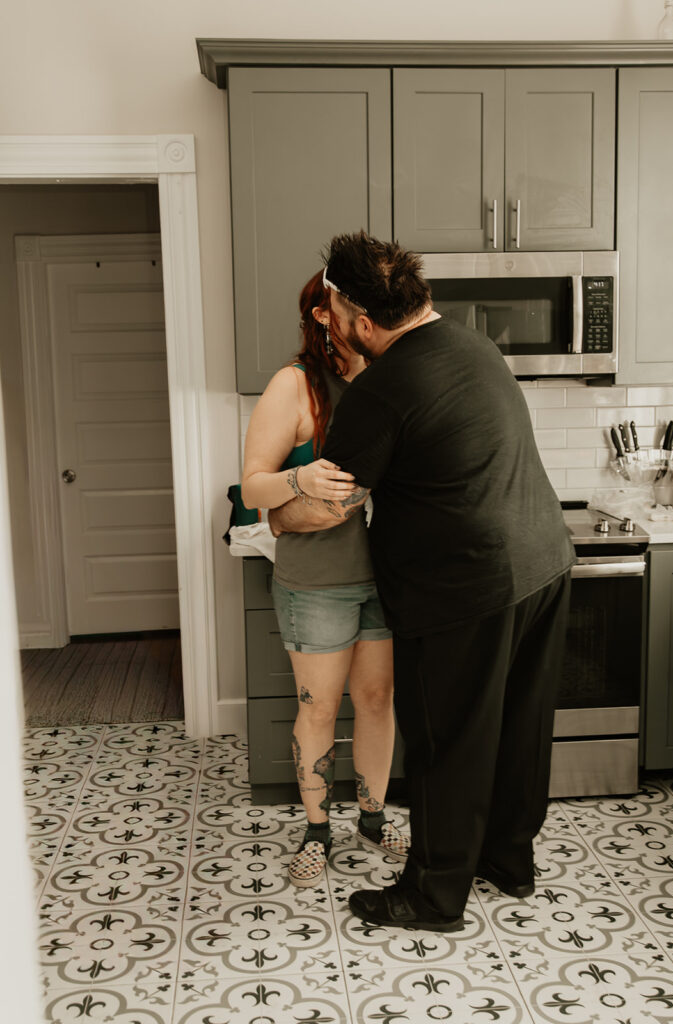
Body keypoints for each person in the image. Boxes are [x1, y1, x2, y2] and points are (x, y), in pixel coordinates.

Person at [268, 231, 575, 931]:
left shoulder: (384, 388)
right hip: (543, 564)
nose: (335, 326)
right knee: (517, 731)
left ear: (364, 322)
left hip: (465, 587)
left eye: (338, 314)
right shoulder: (474, 344)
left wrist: (277, 512)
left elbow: (325, 505)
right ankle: (508, 861)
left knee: (448, 742)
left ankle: (431, 897)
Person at [241, 269, 409, 888]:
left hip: (387, 578)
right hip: (317, 583)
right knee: (318, 707)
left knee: (377, 701)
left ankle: (371, 818)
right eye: (352, 305)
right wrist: (300, 480)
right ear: (323, 314)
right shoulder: (295, 384)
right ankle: (316, 830)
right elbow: (254, 484)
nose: (367, 316)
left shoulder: (389, 378)